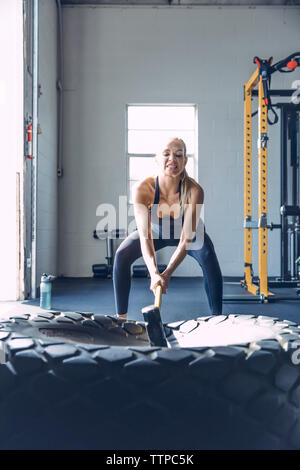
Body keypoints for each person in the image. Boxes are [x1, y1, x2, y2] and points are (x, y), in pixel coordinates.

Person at [113, 137, 223, 318]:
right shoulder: (143, 189)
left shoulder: (195, 191)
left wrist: (167, 274)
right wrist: (154, 273)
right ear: (157, 160)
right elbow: (145, 235)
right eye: (166, 154)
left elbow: (186, 240)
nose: (172, 159)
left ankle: (217, 318)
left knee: (208, 256)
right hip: (156, 233)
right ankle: (121, 319)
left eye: (178, 155)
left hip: (191, 235)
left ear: (185, 161)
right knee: (122, 255)